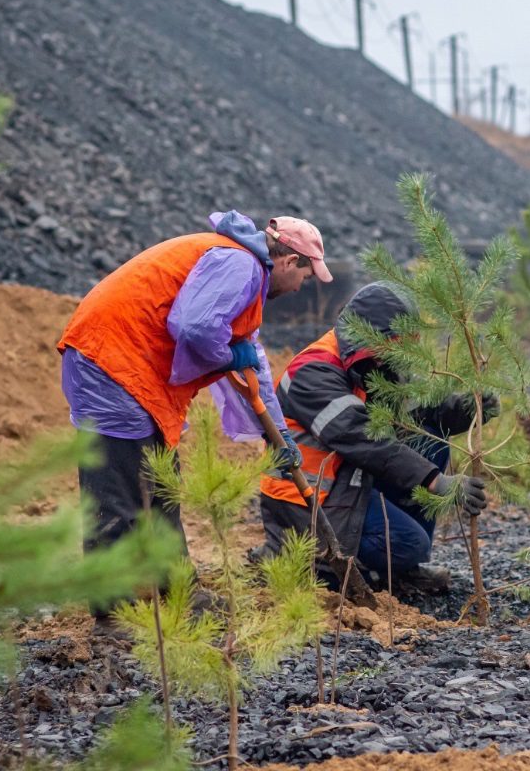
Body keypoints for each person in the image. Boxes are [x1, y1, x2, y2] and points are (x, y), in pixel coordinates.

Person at [57, 211, 332, 620]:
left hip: (135, 374)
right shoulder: (240, 265)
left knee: (163, 487)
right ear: (291, 261)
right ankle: (111, 616)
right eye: (306, 278)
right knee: (115, 493)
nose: (299, 289)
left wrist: (279, 438)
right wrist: (226, 353)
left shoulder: (243, 271)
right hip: (110, 364)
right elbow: (195, 328)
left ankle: (179, 593)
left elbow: (251, 363)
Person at [254, 282, 492, 594]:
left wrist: (465, 410)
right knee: (408, 544)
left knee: (429, 440)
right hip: (307, 504)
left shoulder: (365, 363)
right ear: (367, 339)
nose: (391, 359)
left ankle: (401, 571)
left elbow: (418, 414)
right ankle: (313, 564)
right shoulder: (312, 373)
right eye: (389, 348)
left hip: (348, 481)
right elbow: (365, 440)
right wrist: (436, 481)